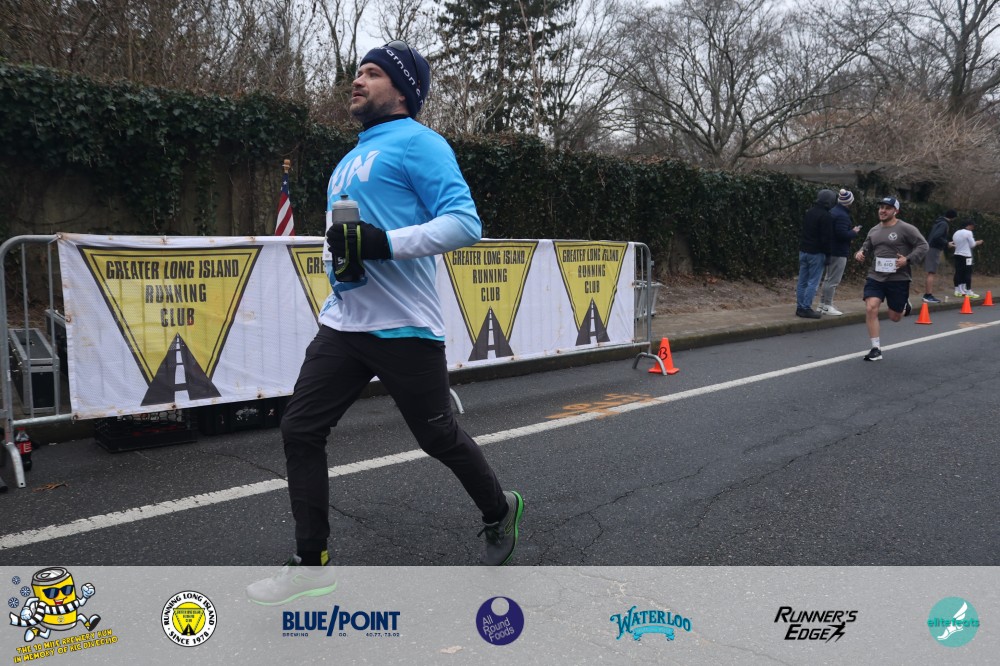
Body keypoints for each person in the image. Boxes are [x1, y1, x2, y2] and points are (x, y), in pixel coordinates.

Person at [247, 41, 524, 605]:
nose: (358, 80)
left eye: (372, 73)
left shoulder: (421, 143)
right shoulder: (349, 157)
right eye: (358, 72)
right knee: (300, 429)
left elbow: (464, 223)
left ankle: (500, 509)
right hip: (345, 324)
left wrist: (385, 244)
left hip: (405, 325)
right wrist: (340, 267)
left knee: (437, 436)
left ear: (402, 91)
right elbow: (343, 238)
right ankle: (311, 564)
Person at [853, 196, 928, 361]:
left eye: (887, 208)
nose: (883, 211)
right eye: (881, 207)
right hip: (876, 276)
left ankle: (904, 305)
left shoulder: (906, 228)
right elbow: (866, 247)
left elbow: (923, 245)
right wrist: (860, 253)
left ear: (896, 211)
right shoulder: (874, 230)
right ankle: (875, 348)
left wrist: (907, 259)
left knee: (895, 317)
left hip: (898, 278)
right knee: (871, 307)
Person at [816, 189, 861, 316]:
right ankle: (827, 305)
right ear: (849, 202)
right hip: (839, 251)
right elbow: (841, 234)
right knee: (833, 280)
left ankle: (822, 304)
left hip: (830, 250)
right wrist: (854, 232)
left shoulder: (833, 211)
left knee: (828, 278)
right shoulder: (842, 215)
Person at [795, 189, 835, 318]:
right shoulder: (826, 216)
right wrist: (828, 254)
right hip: (817, 253)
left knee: (802, 281)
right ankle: (806, 307)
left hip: (804, 250)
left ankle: (799, 307)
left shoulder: (809, 212)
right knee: (813, 282)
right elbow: (826, 238)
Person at [922, 209, 956, 303]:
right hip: (934, 249)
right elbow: (937, 237)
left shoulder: (938, 222)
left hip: (931, 248)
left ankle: (928, 294)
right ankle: (928, 295)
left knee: (931, 272)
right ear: (953, 218)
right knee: (931, 272)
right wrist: (947, 243)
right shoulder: (944, 224)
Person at [950, 218, 985, 298]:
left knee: (958, 272)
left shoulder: (956, 233)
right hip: (967, 255)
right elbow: (972, 245)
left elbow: (957, 243)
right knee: (967, 272)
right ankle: (968, 291)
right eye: (972, 226)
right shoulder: (969, 232)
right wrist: (978, 242)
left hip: (957, 254)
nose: (973, 228)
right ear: (968, 226)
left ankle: (958, 290)